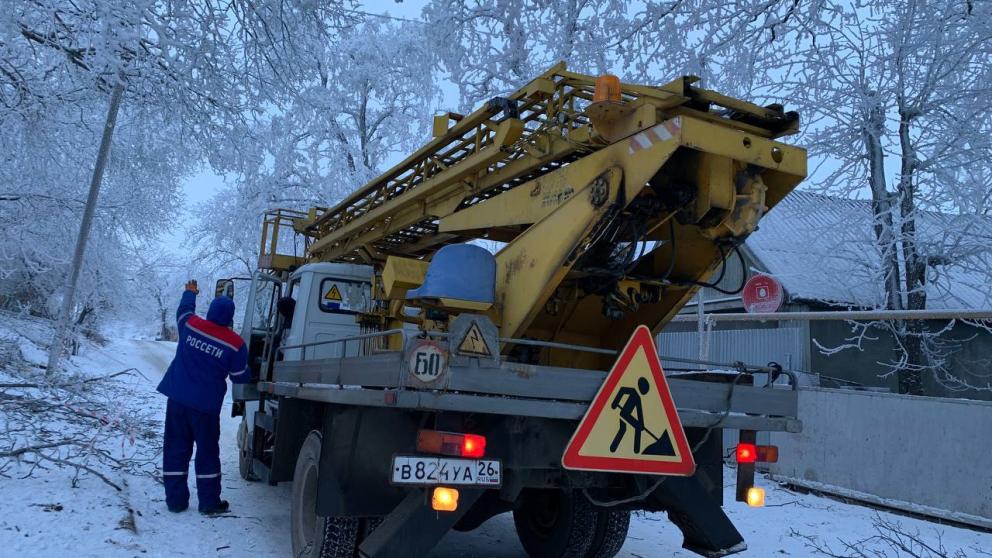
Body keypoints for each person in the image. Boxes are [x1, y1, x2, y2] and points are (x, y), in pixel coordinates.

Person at [157, 279, 251, 515]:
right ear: (230, 318)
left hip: (177, 399)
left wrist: (190, 292)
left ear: (209, 312)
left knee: (176, 449)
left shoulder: (190, 325)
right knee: (207, 452)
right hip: (206, 409)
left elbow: (183, 311)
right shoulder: (235, 344)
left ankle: (176, 501)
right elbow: (240, 377)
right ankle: (209, 502)